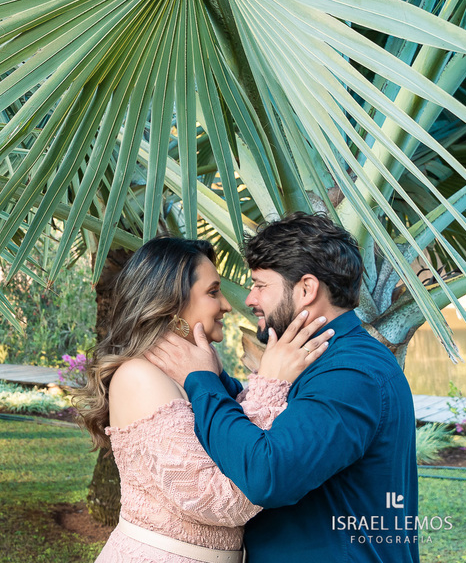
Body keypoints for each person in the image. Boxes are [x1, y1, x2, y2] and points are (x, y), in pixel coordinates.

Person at [146, 212, 419, 562]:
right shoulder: (324, 360)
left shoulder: (351, 374)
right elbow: (272, 424)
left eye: (260, 285)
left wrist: (202, 381)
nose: (249, 299)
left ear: (306, 289)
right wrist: (214, 376)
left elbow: (267, 475)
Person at [80, 236, 330, 563]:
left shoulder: (195, 373)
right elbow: (218, 501)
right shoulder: (139, 376)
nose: (226, 305)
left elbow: (232, 435)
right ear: (171, 304)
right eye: (213, 292)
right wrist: (271, 383)